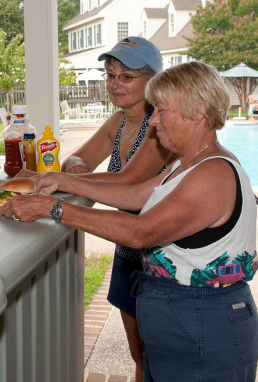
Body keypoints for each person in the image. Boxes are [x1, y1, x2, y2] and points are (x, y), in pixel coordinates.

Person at [3, 61, 258, 381]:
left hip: (205, 324)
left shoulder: (213, 173)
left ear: (199, 112)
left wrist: (53, 208)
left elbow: (141, 232)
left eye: (161, 110)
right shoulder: (188, 163)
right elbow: (136, 195)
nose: (152, 121)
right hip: (182, 321)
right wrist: (60, 181)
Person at [53, 37, 172, 382]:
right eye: (110, 75)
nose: (115, 83)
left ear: (152, 81)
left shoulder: (160, 125)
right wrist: (75, 167)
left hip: (158, 253)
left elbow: (127, 182)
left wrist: (69, 181)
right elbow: (77, 158)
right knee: (139, 354)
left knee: (156, 356)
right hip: (127, 250)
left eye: (126, 76)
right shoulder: (118, 121)